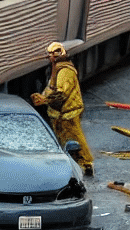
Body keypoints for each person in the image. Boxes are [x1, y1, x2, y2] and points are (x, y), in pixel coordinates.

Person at [30, 42, 95, 178]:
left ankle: (86, 164)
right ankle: (72, 163)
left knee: (75, 137)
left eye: (51, 55)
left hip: (68, 112)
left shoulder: (65, 71)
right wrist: (43, 96)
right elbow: (51, 88)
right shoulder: (56, 70)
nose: (50, 58)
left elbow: (62, 93)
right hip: (59, 113)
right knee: (63, 139)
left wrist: (45, 100)